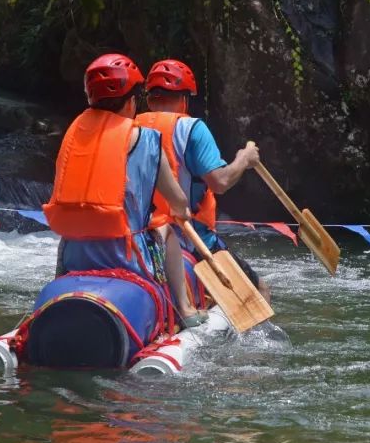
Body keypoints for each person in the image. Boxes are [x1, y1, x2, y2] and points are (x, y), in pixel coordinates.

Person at [44, 53, 207, 327]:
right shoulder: (145, 139)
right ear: (132, 101)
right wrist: (183, 212)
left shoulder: (73, 134)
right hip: (124, 254)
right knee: (166, 229)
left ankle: (59, 285)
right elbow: (177, 200)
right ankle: (185, 309)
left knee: (68, 235)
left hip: (74, 253)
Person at [135, 59, 270, 301]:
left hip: (143, 239)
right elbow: (220, 182)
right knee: (260, 290)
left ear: (149, 99)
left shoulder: (131, 128)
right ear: (185, 99)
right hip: (193, 241)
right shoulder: (191, 128)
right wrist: (244, 159)